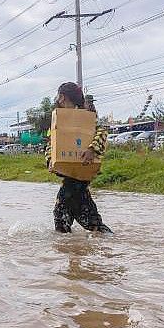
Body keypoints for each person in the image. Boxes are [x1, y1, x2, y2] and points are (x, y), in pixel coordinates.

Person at [45, 82, 112, 234]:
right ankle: (76, 254)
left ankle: (73, 251)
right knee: (88, 221)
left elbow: (102, 132)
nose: (58, 100)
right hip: (71, 176)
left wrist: (91, 149)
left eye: (59, 96)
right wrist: (50, 160)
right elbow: (50, 143)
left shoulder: (87, 116)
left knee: (64, 216)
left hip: (80, 174)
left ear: (62, 97)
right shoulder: (58, 119)